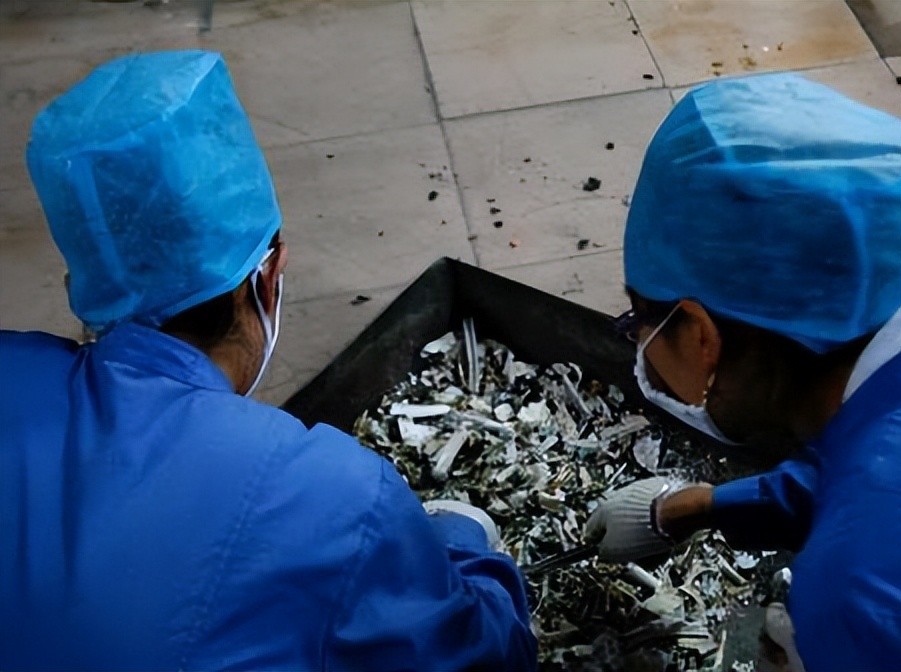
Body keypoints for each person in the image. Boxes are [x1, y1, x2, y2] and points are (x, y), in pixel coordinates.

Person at [0, 50, 536, 671]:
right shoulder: (333, 496)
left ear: (88, 287)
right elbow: (485, 659)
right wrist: (465, 545)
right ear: (266, 279)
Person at [584, 73, 901, 671]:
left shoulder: (864, 596)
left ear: (702, 335)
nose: (641, 341)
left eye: (641, 320)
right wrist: (697, 506)